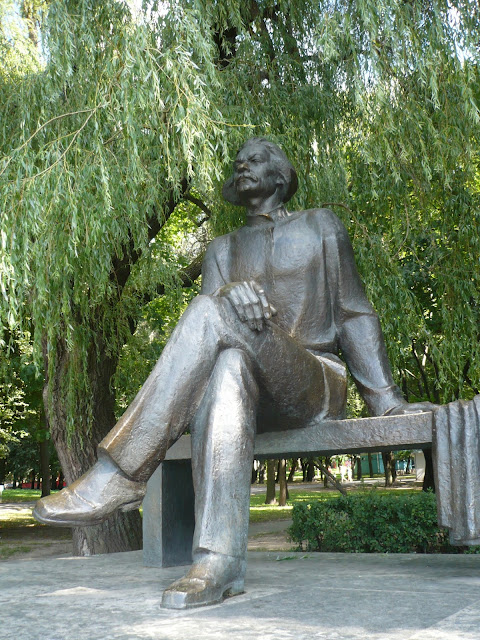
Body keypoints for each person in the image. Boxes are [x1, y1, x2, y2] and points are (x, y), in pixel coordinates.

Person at [33, 137, 421, 608]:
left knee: (209, 310)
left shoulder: (321, 226)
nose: (242, 165)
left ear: (281, 175)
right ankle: (217, 563)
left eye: (255, 159)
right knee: (227, 363)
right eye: (238, 162)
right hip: (251, 394)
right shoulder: (222, 249)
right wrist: (225, 294)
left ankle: (118, 473)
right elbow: (207, 343)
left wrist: (385, 399)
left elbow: (354, 313)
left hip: (313, 382)